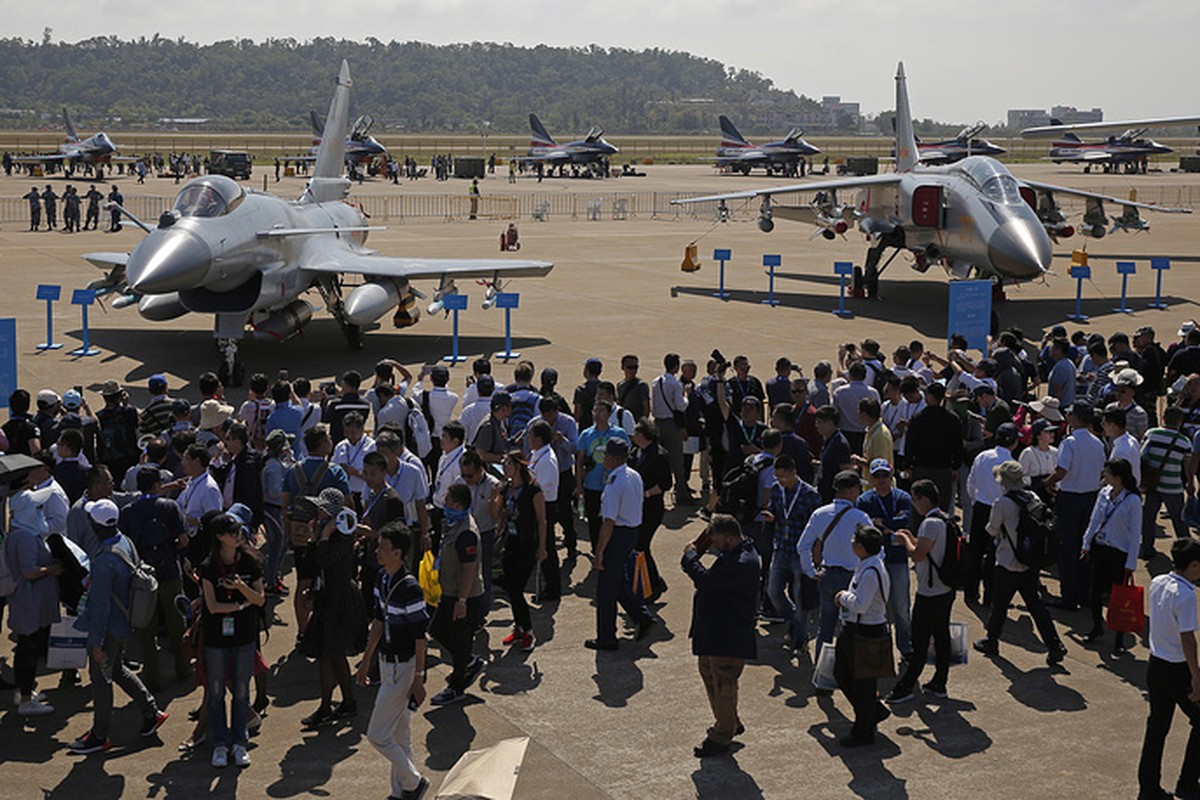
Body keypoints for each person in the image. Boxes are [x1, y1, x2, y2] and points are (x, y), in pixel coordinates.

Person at [67, 499, 167, 753]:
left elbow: (100, 608)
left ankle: (100, 735)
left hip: (109, 629)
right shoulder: (125, 542)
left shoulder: (103, 561)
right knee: (118, 669)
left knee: (101, 680)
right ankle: (151, 711)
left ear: (95, 525)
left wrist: (96, 644)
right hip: (125, 624)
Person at [356, 522, 431, 800]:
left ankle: (414, 782)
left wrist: (419, 678)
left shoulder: (410, 588)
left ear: (397, 553)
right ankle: (400, 792)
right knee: (400, 736)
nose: (377, 551)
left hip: (404, 668)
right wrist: (366, 661)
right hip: (387, 665)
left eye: (383, 548)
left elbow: (420, 636)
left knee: (377, 735)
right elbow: (377, 621)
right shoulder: (381, 579)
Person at [681, 513, 761, 758]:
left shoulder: (741, 561)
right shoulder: (734, 553)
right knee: (708, 670)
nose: (713, 546)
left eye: (715, 541)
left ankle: (722, 734)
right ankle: (729, 721)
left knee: (724, 681)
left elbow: (706, 581)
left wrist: (691, 558)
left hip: (729, 633)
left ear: (729, 538)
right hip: (716, 631)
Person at [974, 460, 1068, 665]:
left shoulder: (1002, 503)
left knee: (999, 605)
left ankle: (991, 641)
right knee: (1036, 607)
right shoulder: (1032, 497)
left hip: (1007, 562)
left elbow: (991, 530)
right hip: (1030, 562)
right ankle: (1054, 645)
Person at [199, 512, 265, 768]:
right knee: (215, 692)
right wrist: (241, 605)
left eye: (238, 530)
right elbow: (212, 607)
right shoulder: (208, 567)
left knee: (240, 691)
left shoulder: (250, 562)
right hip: (216, 638)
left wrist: (241, 589)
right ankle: (219, 744)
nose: (238, 535)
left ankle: (239, 742)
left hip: (245, 637)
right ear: (219, 537)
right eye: (231, 532)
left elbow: (260, 599)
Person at [1137, 537, 1200, 800]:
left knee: (1157, 728)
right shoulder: (1186, 596)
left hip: (1156, 665)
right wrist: (1196, 677)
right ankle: (1187, 782)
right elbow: (1188, 640)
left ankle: (1148, 788)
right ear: (1194, 565)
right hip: (1178, 670)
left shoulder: (1157, 581)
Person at [299, 488, 368, 727]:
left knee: (334, 652)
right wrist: (314, 538)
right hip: (326, 596)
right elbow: (309, 565)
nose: (318, 512)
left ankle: (339, 704)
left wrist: (325, 537)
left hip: (339, 598)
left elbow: (326, 561)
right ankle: (334, 704)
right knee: (326, 653)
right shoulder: (321, 530)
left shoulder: (342, 533)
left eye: (322, 508)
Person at [121, 467, 191, 692]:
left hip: (143, 578)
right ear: (157, 485)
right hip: (169, 571)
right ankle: (183, 669)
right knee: (176, 625)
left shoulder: (129, 511)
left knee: (146, 631)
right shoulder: (170, 507)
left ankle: (152, 679)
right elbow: (183, 540)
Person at [888, 480, 955, 704]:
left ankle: (906, 687)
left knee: (920, 641)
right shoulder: (946, 519)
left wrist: (906, 540)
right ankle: (939, 682)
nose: (914, 504)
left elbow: (918, 555)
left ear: (924, 499)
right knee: (941, 636)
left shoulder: (930, 523)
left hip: (930, 592)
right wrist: (913, 538)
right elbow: (931, 548)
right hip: (945, 588)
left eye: (915, 499)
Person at [586, 438, 656, 650]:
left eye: (606, 454)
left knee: (606, 590)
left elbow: (608, 522)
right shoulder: (634, 476)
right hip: (632, 533)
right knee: (618, 582)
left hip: (617, 536)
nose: (604, 458)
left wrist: (599, 552)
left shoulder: (614, 483)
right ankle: (642, 616)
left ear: (614, 457)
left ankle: (606, 637)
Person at [6, 476, 64, 716]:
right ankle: (27, 700)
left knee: (26, 648)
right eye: (37, 507)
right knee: (28, 650)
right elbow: (29, 572)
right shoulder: (25, 537)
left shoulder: (20, 530)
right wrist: (52, 569)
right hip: (29, 602)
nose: (40, 511)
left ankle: (24, 692)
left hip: (28, 602)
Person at [797, 470, 873, 650]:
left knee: (826, 627)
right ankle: (847, 668)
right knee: (851, 627)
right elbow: (876, 549)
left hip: (827, 576)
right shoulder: (860, 517)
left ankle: (822, 670)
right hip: (852, 579)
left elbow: (802, 546)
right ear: (853, 490)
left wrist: (810, 571)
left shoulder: (820, 514)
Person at [833, 524, 891, 748]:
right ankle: (871, 712)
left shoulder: (870, 571)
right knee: (844, 674)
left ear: (861, 547)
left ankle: (863, 729)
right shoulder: (868, 565)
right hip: (857, 629)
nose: (851, 542)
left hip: (866, 631)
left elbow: (861, 604)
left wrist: (842, 597)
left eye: (854, 540)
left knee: (862, 683)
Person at [1043, 402, 1106, 609]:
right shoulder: (1098, 442)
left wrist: (1047, 483)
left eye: (1070, 413)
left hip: (1070, 499)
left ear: (1076, 419)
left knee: (1067, 548)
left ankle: (1069, 596)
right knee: (1085, 545)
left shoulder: (1069, 443)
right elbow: (1100, 471)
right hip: (1090, 497)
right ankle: (1084, 593)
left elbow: (1062, 470)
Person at [428, 484, 485, 704]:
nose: (445, 505)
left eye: (449, 501)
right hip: (451, 591)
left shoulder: (466, 532)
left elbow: (469, 569)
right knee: (438, 630)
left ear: (458, 505)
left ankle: (456, 687)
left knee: (460, 640)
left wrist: (461, 600)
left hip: (464, 595)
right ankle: (469, 662)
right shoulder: (454, 523)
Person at [1081, 458, 1142, 654]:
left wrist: (1131, 561)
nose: (1104, 475)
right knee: (1095, 592)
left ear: (1117, 477)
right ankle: (1096, 627)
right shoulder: (1104, 493)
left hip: (1119, 553)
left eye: (1107, 472)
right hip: (1100, 548)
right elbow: (1095, 519)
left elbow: (1135, 534)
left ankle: (1119, 637)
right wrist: (1086, 542)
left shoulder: (1132, 500)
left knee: (1118, 597)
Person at [762, 455, 821, 655]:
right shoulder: (777, 491)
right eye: (777, 477)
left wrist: (815, 555)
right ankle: (794, 622)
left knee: (800, 596)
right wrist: (771, 517)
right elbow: (776, 510)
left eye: (783, 477)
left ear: (793, 472)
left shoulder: (810, 495)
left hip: (800, 553)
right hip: (781, 548)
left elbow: (817, 529)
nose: (780, 481)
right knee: (773, 591)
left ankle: (800, 640)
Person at [856, 459, 913, 660]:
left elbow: (905, 521)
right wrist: (890, 525)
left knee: (901, 608)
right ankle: (876, 649)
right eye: (877, 476)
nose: (881, 480)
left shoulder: (902, 497)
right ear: (871, 478)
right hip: (873, 562)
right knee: (873, 609)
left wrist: (881, 522)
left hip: (897, 559)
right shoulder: (864, 501)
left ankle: (905, 647)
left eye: (884, 476)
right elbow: (865, 528)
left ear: (891, 476)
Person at [497, 451, 546, 652]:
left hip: (527, 544)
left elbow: (542, 521)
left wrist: (542, 548)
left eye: (507, 463)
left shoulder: (534, 490)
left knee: (517, 589)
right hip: (511, 543)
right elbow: (499, 515)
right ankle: (519, 627)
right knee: (510, 588)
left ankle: (528, 631)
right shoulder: (507, 489)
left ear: (518, 465)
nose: (504, 467)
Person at [575, 400, 630, 550]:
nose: (597, 414)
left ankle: (610, 547)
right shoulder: (586, 434)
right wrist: (579, 486)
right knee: (594, 520)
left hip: (614, 484)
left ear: (609, 414)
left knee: (613, 518)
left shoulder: (619, 433)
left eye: (601, 411)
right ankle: (596, 548)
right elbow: (579, 462)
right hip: (592, 485)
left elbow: (627, 457)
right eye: (595, 411)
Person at [1141, 407, 1192, 560]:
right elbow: (1187, 467)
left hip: (1152, 484)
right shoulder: (1184, 442)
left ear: (1163, 418)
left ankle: (1147, 549)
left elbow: (1142, 454)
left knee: (1148, 518)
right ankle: (1187, 554)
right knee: (1179, 521)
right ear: (1180, 422)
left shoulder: (1151, 433)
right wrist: (1190, 483)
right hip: (1173, 486)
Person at [630, 419, 672, 599]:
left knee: (642, 545)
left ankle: (654, 583)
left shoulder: (659, 455)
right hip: (638, 507)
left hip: (652, 507)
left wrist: (647, 493)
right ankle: (653, 582)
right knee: (640, 545)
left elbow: (666, 483)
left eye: (637, 433)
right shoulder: (636, 452)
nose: (634, 436)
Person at [651, 353, 691, 501]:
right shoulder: (675, 384)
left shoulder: (656, 382)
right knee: (677, 459)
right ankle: (681, 492)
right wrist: (686, 395)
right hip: (670, 424)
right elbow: (680, 406)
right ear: (676, 366)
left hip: (657, 423)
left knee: (659, 459)